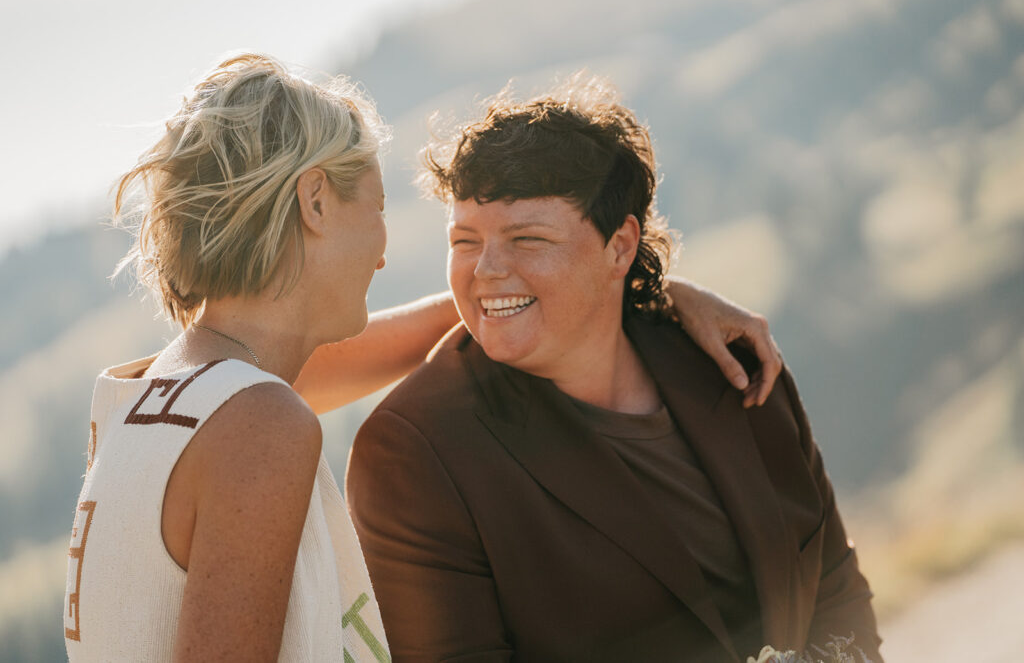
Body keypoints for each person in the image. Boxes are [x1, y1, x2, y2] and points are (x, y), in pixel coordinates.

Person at [64, 55, 780, 662]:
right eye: (375, 207)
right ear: (315, 200)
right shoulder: (260, 424)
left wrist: (625, 285)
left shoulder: (157, 400)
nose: (382, 249)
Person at [346, 75, 883, 663]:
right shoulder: (413, 455)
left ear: (621, 246)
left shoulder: (731, 363)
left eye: (526, 238)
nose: (486, 271)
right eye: (466, 241)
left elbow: (836, 591)